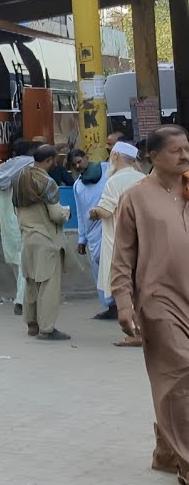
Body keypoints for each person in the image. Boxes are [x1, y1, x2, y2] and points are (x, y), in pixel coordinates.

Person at [110, 124, 189, 485]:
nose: (184, 155)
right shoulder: (136, 198)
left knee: (176, 381)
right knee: (179, 374)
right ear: (153, 156)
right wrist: (124, 303)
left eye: (187, 148)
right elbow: (123, 256)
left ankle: (166, 451)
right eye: (176, 150)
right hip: (158, 300)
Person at [13, 144, 72, 341]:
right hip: (47, 241)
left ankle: (32, 324)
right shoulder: (47, 181)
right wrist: (66, 212)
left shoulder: (19, 178)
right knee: (48, 286)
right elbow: (55, 215)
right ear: (49, 160)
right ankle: (47, 328)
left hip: (27, 239)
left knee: (31, 282)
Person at [92, 141, 145, 347]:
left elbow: (106, 211)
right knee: (139, 287)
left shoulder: (114, 181)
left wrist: (94, 212)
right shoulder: (143, 178)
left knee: (125, 288)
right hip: (141, 240)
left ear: (116, 157)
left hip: (119, 242)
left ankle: (136, 332)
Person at [0, 139, 35, 314]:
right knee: (24, 262)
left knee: (15, 262)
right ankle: (21, 301)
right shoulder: (28, 168)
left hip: (6, 222)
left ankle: (20, 296)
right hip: (21, 220)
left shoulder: (3, 171)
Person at [68, 147, 111, 319]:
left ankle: (123, 306)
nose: (79, 165)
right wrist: (82, 238)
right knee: (99, 271)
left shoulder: (107, 169)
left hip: (111, 227)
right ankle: (110, 306)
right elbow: (80, 212)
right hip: (93, 235)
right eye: (74, 164)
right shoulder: (78, 185)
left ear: (86, 157)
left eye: (80, 160)